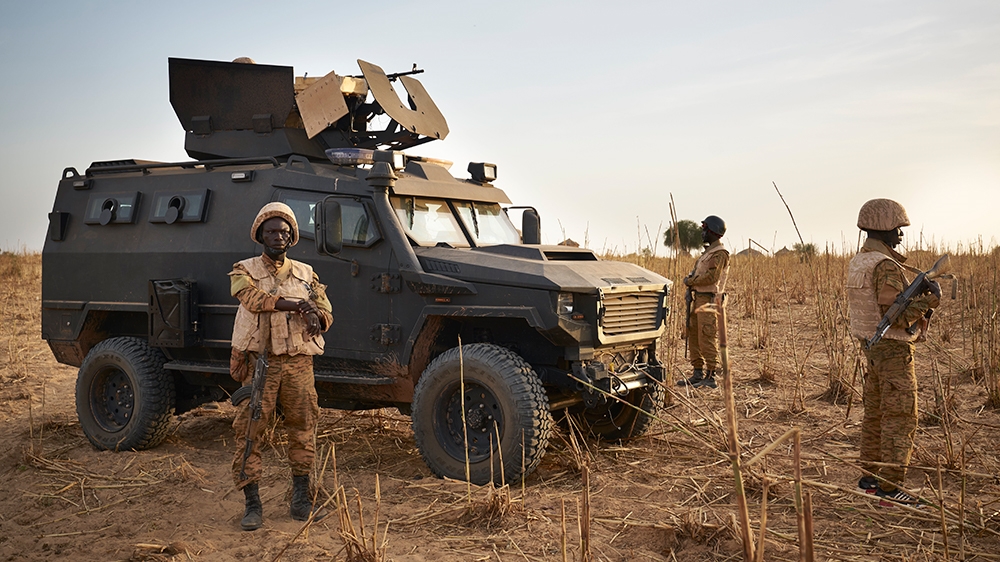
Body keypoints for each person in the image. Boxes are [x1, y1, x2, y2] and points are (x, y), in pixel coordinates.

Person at [229, 202, 333, 531]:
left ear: (292, 238)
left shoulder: (306, 274)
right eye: (272, 231)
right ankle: (253, 504)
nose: (279, 236)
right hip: (260, 363)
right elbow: (252, 300)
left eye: (285, 232)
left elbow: (326, 310)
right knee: (249, 433)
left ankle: (301, 502)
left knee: (303, 430)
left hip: (298, 363)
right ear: (260, 234)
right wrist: (298, 305)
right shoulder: (242, 269)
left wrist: (317, 315)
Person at [846, 198, 940, 507]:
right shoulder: (884, 265)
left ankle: (869, 480)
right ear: (885, 228)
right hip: (893, 351)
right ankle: (890, 489)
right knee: (900, 418)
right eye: (897, 229)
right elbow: (896, 316)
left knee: (875, 416)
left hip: (872, 350)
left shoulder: (861, 261)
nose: (901, 235)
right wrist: (930, 302)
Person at [677, 215, 730, 389]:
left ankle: (710, 375)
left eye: (705, 230)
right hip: (697, 298)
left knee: (707, 335)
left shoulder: (720, 253)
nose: (702, 233)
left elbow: (711, 277)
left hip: (709, 300)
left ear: (713, 232)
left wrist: (691, 281)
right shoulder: (707, 253)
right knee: (693, 334)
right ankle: (697, 372)